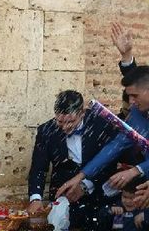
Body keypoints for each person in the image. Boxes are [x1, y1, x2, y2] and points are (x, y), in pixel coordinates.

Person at [56, 67, 149, 208]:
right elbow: (116, 146)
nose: (131, 101)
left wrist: (135, 170)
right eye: (128, 96)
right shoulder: (137, 113)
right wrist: (80, 176)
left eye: (135, 95)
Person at [27, 90, 117, 230]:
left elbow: (110, 163)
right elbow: (38, 168)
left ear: (82, 113)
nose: (65, 127)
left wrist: (86, 186)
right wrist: (36, 198)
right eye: (60, 121)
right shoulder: (46, 131)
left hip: (98, 193)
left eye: (71, 121)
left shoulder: (101, 125)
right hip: (62, 194)